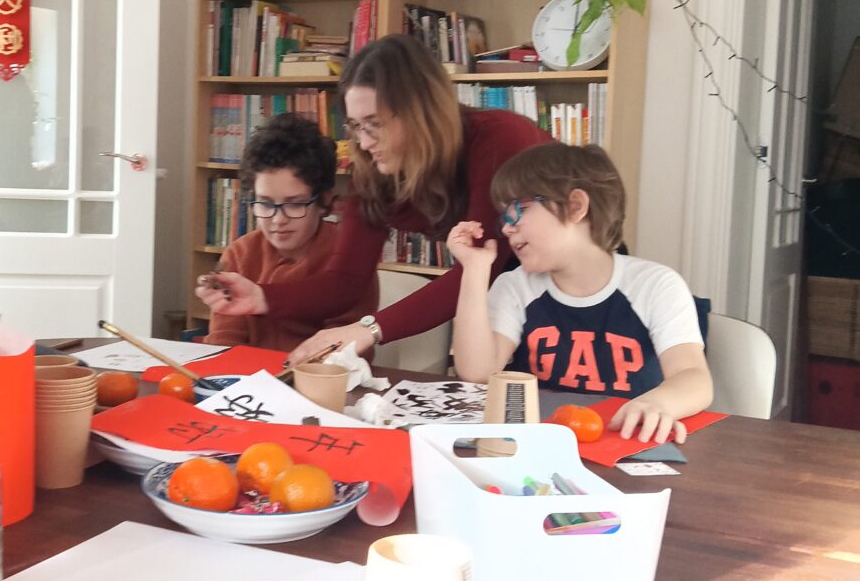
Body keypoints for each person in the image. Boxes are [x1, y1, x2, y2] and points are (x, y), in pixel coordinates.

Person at [195, 34, 550, 364]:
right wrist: (261, 297)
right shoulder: (376, 169)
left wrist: (369, 330)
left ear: (419, 112)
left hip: (563, 286)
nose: (363, 142)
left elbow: (476, 272)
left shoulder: (501, 140)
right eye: (355, 126)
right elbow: (344, 283)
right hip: (509, 296)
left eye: (374, 123)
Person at [447, 142, 713, 444]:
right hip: (540, 444)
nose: (507, 229)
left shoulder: (656, 285)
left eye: (517, 210)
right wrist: (474, 269)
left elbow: (694, 378)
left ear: (575, 206)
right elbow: (478, 373)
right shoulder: (514, 286)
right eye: (504, 218)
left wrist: (659, 404)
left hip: (626, 440)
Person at [200, 112, 378, 352]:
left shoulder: (351, 258)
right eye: (265, 203)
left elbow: (346, 350)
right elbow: (223, 342)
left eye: (294, 204)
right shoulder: (239, 254)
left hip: (322, 374)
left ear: (323, 201)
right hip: (249, 374)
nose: (278, 219)